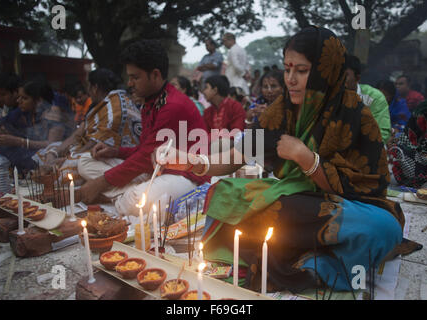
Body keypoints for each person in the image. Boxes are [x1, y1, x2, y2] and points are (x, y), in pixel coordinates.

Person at [157, 27, 413, 293]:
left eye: (301, 71)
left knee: (384, 229)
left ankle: (316, 264)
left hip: (345, 205)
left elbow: (366, 186)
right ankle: (291, 253)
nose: (290, 79)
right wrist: (193, 162)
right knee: (224, 192)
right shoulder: (282, 110)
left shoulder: (357, 115)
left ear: (326, 70)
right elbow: (238, 156)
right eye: (287, 68)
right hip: (295, 202)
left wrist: (306, 158)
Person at [77, 39, 209, 213]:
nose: (130, 83)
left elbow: (145, 158)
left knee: (136, 199)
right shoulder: (150, 101)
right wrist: (115, 152)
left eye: (135, 77)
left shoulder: (172, 105)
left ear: (155, 75)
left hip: (185, 176)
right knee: (85, 162)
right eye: (129, 77)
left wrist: (100, 183)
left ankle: (119, 197)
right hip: (155, 169)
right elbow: (144, 151)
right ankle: (121, 196)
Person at [35, 68, 140, 184]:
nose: (88, 92)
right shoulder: (101, 105)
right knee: (50, 149)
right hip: (87, 150)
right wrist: (54, 153)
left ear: (95, 88)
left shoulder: (114, 109)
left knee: (74, 166)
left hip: (115, 157)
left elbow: (94, 146)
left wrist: (67, 158)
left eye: (88, 87)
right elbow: (77, 135)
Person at [0, 80, 66, 171]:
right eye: (19, 97)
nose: (19, 101)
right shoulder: (28, 113)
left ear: (39, 100)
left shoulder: (53, 114)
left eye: (24, 98)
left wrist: (20, 141)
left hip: (53, 157)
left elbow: (52, 144)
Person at [388, 70, 427, 188]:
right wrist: (424, 154)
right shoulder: (426, 107)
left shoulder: (416, 98)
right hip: (426, 162)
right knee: (400, 149)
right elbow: (407, 139)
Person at [345, 54, 391, 144]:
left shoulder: (374, 97)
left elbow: (383, 134)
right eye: (336, 74)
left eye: (345, 75)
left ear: (357, 78)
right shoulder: (329, 95)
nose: (339, 79)